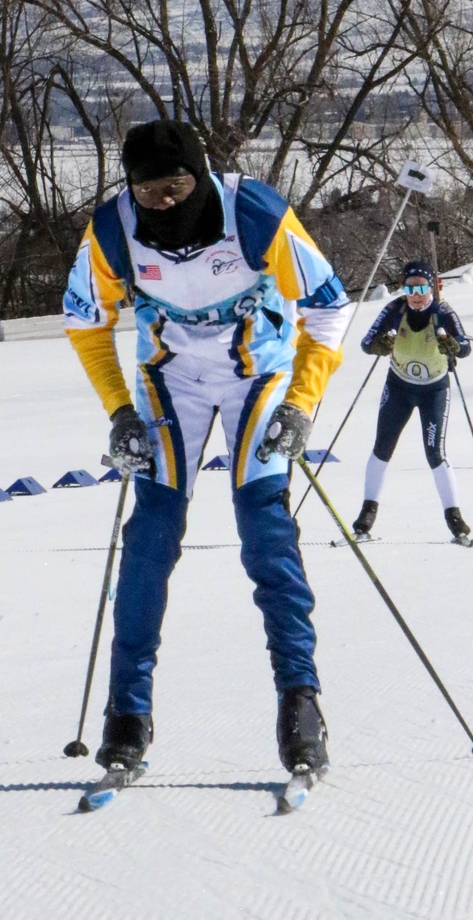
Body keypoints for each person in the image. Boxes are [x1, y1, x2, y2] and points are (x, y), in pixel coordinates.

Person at [63, 120, 351, 778]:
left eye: (177, 186)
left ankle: (300, 702)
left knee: (265, 531)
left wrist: (303, 404)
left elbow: (330, 307)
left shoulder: (254, 213)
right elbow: (85, 321)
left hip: (259, 376)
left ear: (199, 176)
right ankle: (127, 714)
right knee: (151, 537)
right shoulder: (113, 231)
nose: (164, 201)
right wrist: (118, 412)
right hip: (171, 383)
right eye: (148, 191)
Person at [352, 260, 472, 544]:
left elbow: (465, 346)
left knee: (435, 452)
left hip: (434, 390)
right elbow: (366, 342)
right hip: (399, 388)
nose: (415, 293)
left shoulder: (442, 312)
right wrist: (379, 345)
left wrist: (453, 346)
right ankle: (366, 515)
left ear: (431, 287)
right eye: (409, 287)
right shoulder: (395, 310)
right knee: (382, 447)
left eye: (421, 287)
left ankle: (454, 518)